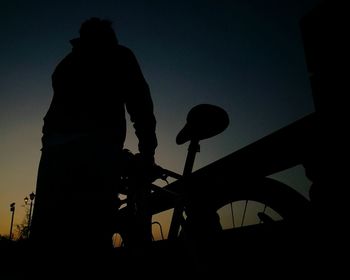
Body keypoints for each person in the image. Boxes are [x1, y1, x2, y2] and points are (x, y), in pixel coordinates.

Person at [29, 17, 157, 276]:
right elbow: (140, 104)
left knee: (47, 231)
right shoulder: (119, 55)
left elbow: (53, 113)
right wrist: (148, 151)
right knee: (94, 229)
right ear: (110, 37)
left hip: (55, 152)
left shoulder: (65, 65)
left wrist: (51, 143)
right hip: (97, 150)